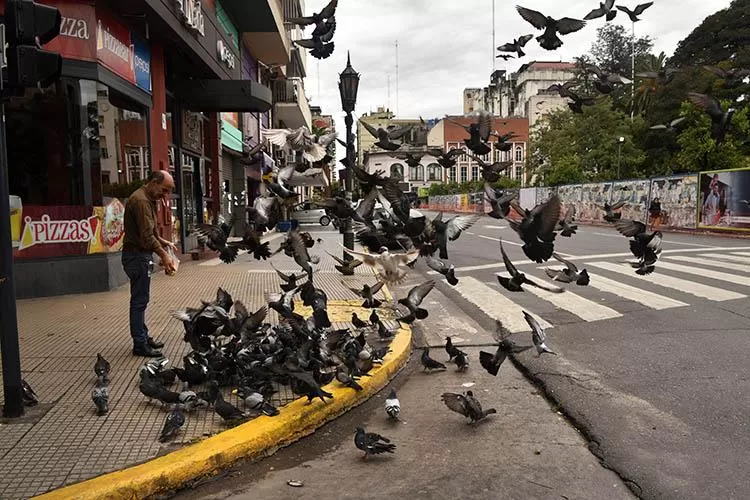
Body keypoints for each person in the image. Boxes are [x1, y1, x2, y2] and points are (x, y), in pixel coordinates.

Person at [122, 170, 177, 357]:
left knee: (141, 299)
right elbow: (145, 236)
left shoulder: (148, 198)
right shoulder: (141, 201)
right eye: (164, 190)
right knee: (139, 301)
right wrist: (164, 255)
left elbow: (149, 232)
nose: (165, 195)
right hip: (136, 257)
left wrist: (163, 242)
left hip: (139, 255)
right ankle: (140, 344)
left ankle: (143, 338)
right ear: (154, 182)